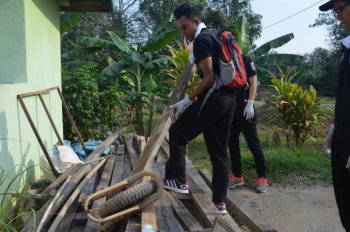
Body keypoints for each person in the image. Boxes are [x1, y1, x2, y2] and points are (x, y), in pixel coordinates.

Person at [163, 3, 237, 214]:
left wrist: (186, 101)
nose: (183, 32)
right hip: (229, 98)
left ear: (196, 21)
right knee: (219, 151)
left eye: (185, 27)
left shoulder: (202, 39)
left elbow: (209, 76)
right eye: (180, 28)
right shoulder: (213, 36)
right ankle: (220, 203)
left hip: (214, 97)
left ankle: (178, 180)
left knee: (177, 133)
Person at [320, 1, 350, 231]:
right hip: (343, 138)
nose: (338, 17)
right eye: (336, 12)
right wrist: (336, 124)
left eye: (341, 9)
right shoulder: (347, 47)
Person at [227, 55, 269, 193]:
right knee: (232, 143)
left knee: (253, 144)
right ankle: (238, 176)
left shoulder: (246, 60)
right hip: (232, 108)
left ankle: (262, 178)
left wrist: (250, 103)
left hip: (246, 109)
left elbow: (253, 81)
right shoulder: (226, 60)